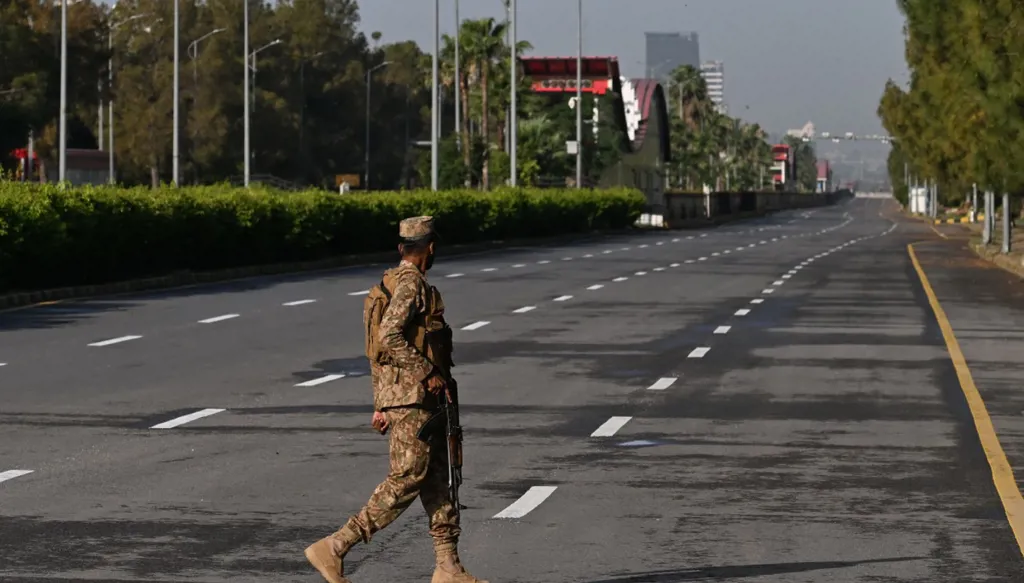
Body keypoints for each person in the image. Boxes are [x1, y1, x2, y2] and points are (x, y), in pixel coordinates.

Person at [304, 216, 487, 583]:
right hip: (415, 399)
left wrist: (381, 401)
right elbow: (389, 337)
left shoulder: (388, 283)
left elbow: (376, 351)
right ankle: (336, 546)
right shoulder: (411, 285)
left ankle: (448, 568)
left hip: (414, 399)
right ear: (430, 247)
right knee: (407, 477)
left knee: (439, 481)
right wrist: (427, 373)